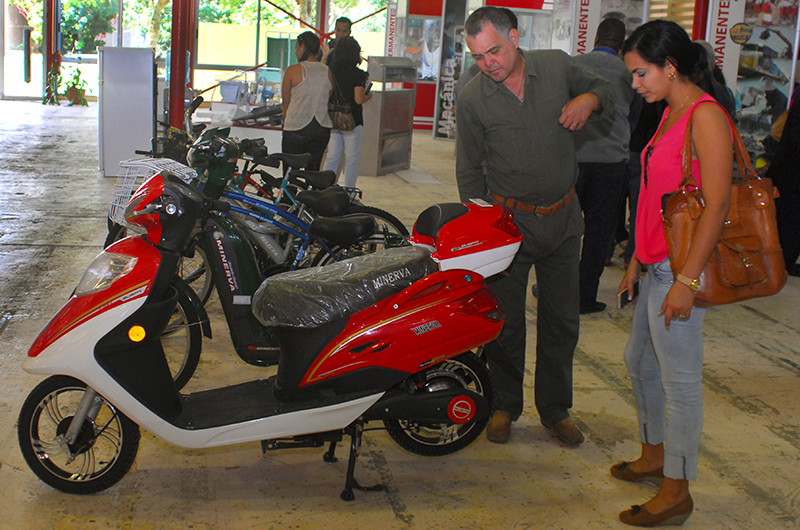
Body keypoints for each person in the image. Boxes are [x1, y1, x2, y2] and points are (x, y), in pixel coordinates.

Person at [456, 6, 616, 446]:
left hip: (563, 220)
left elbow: (608, 89)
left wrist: (589, 99)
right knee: (505, 323)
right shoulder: (472, 99)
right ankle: (504, 405)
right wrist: (481, 230)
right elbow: (468, 170)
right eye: (478, 56)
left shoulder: (557, 67)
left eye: (494, 50)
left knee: (561, 320)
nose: (488, 63)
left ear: (514, 36)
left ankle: (555, 409)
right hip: (509, 225)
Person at [614, 20, 733, 527]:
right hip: (655, 263)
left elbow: (717, 205)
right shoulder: (669, 112)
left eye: (641, 73)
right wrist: (636, 259)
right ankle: (654, 454)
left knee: (679, 384)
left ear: (670, 66)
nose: (635, 83)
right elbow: (654, 195)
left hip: (680, 270)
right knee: (639, 360)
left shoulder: (705, 116)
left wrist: (687, 281)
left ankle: (677, 489)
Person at [572, 18, 636, 314]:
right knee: (599, 233)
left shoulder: (574, 65)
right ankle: (585, 296)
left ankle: (557, 289)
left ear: (596, 37)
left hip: (574, 159)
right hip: (611, 163)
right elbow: (635, 118)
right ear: (622, 43)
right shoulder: (629, 72)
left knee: (565, 230)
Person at [321, 36, 372, 189]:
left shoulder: (331, 71)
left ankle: (324, 189)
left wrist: (325, 56)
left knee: (332, 156)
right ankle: (349, 191)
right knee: (351, 159)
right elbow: (358, 99)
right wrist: (369, 96)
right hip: (352, 120)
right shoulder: (358, 74)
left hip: (333, 119)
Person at [281, 31, 333, 171]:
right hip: (321, 128)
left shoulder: (293, 71)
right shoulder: (327, 71)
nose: (295, 52)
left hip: (296, 127)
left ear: (303, 47)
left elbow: (286, 102)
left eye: (296, 47)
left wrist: (286, 122)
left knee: (290, 173)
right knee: (313, 173)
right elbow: (328, 96)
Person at [765, 84, 800, 276]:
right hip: (792, 175)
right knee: (787, 223)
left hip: (790, 174)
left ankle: (782, 264)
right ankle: (779, 265)